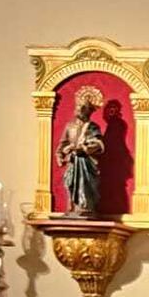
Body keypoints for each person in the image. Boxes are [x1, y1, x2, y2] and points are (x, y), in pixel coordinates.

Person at [57, 88, 105, 218]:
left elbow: (99, 144)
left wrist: (84, 148)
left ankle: (85, 207)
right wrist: (60, 155)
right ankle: (72, 207)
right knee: (70, 182)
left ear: (89, 111)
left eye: (83, 108)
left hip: (86, 163)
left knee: (85, 184)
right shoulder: (70, 126)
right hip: (73, 162)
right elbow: (62, 144)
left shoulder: (92, 127)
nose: (80, 110)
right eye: (78, 107)